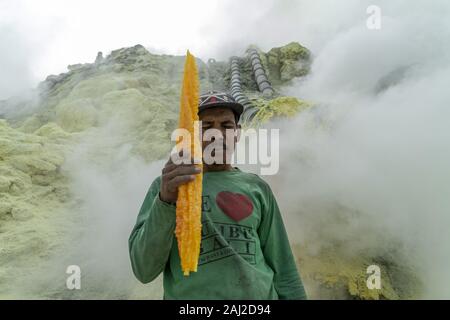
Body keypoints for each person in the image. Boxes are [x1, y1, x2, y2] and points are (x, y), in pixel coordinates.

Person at [128, 91, 307, 299]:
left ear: (237, 134)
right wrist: (166, 200)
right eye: (206, 127)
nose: (217, 135)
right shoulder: (166, 186)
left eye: (226, 126)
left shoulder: (257, 188)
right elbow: (144, 270)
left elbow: (284, 268)